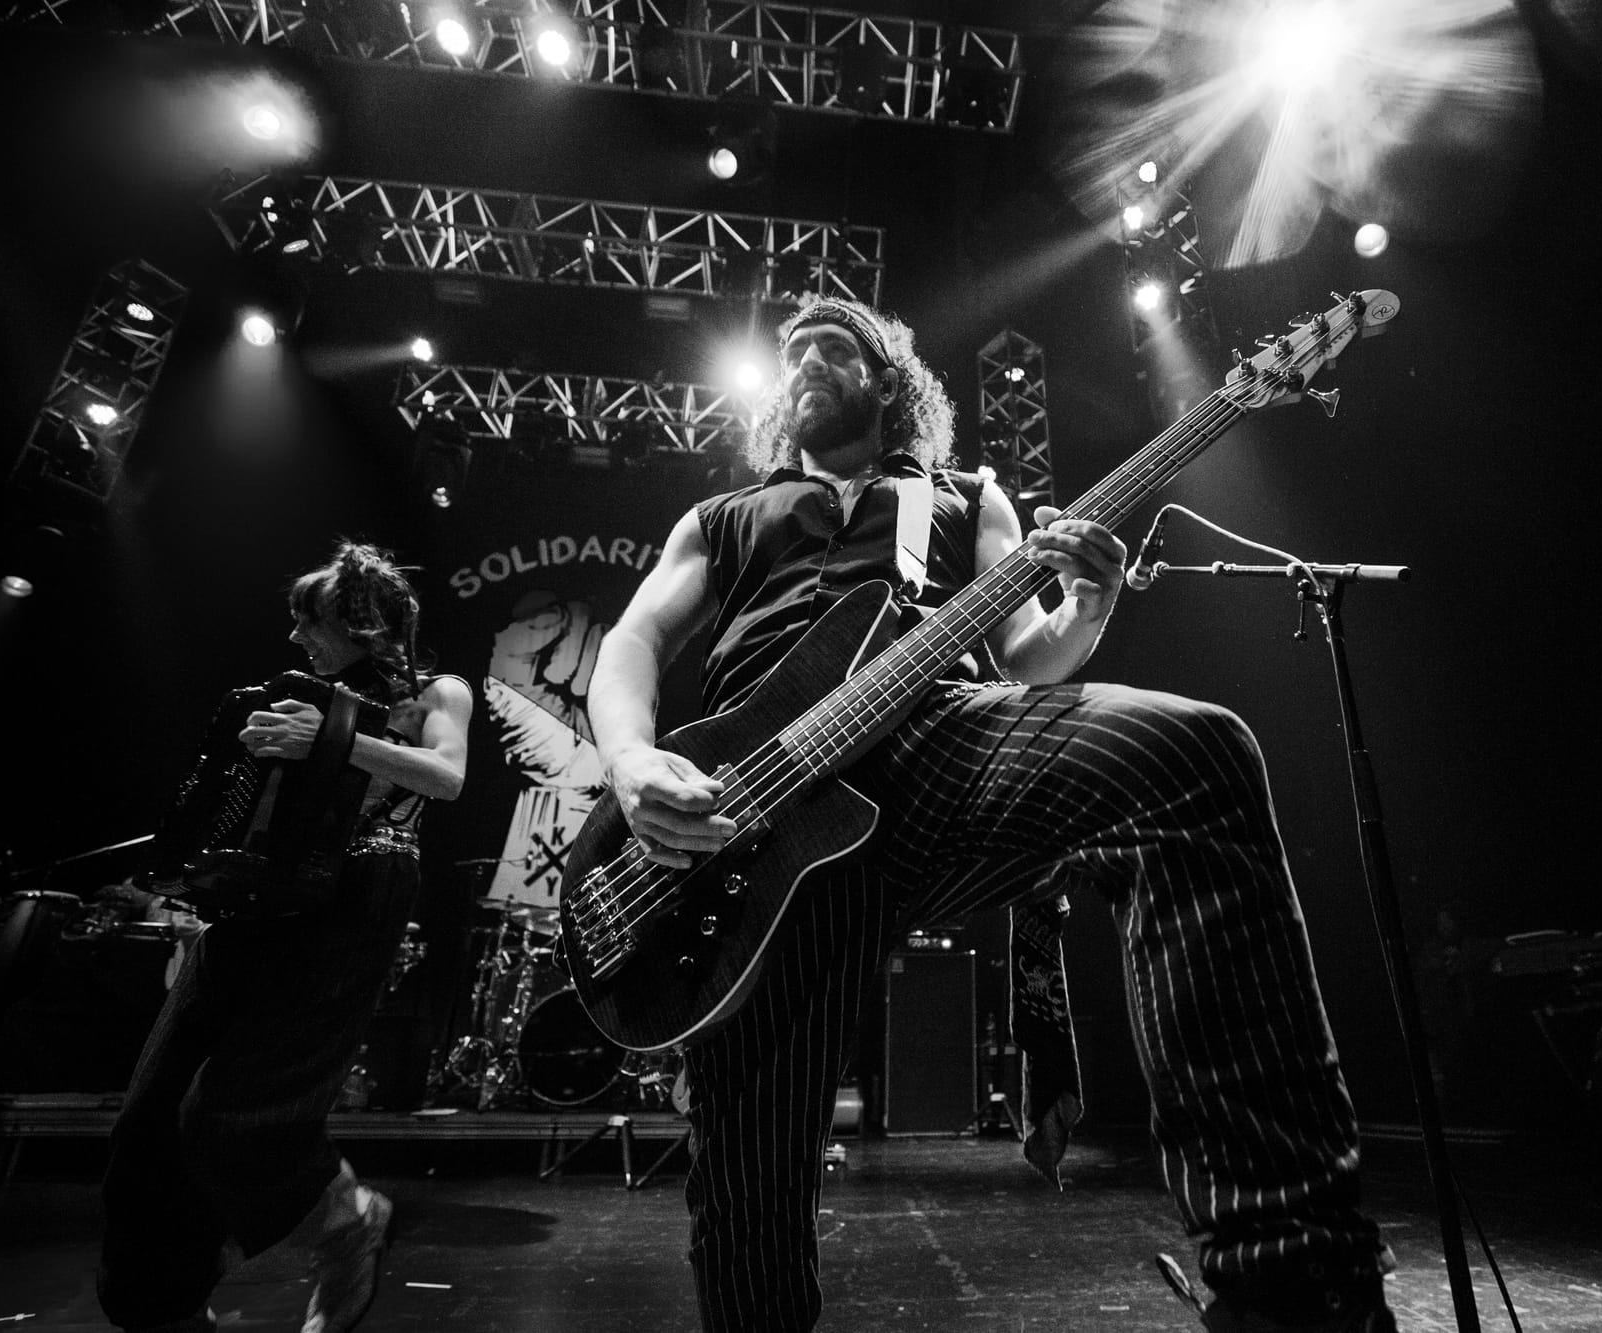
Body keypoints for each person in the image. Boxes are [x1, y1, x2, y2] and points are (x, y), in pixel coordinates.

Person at [586, 297, 1397, 1333]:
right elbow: (632, 642)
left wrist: (1088, 605)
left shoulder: (967, 498)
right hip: (746, 818)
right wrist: (629, 759)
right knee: (746, 1204)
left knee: (1191, 754)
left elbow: (1025, 657)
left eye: (834, 348)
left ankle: (1291, 1283)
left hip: (938, 743)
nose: (807, 362)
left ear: (888, 382)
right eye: (793, 353)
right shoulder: (723, 518)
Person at [97, 541, 472, 1333]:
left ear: (361, 623)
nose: (297, 637)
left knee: (232, 1114)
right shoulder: (297, 695)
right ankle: (159, 1307)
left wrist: (331, 739)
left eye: (312, 621)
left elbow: (446, 776)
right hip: (257, 900)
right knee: (146, 1123)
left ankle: (346, 1217)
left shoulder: (438, 692)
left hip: (358, 894)